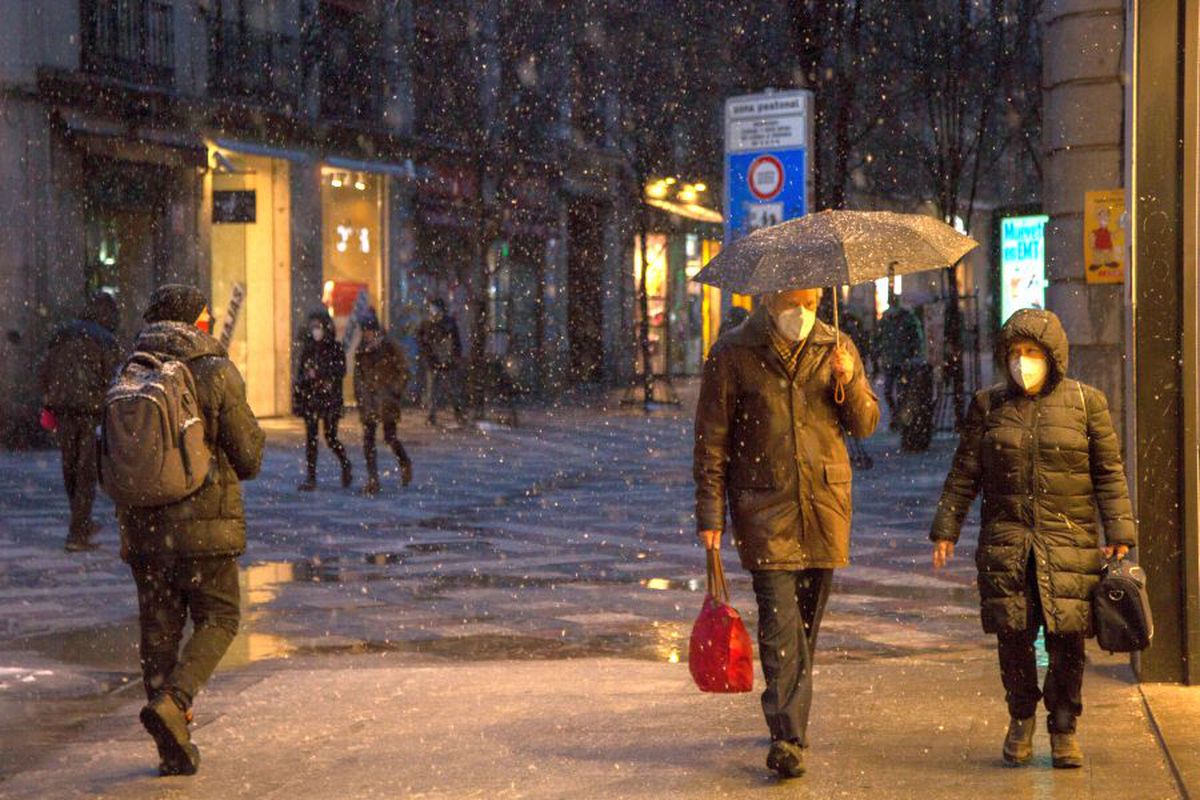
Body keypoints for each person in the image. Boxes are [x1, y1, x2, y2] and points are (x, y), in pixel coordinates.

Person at [929, 308, 1135, 770]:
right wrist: (946, 527)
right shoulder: (988, 406)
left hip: (1068, 543)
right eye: (1015, 352)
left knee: (1068, 642)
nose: (1023, 361)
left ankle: (1063, 727)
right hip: (1008, 546)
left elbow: (1108, 472)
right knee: (1014, 639)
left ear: (1052, 356)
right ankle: (1020, 717)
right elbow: (964, 473)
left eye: (1032, 352)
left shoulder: (1087, 403)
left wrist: (1119, 530)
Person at [694, 289, 879, 779]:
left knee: (804, 626)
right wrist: (710, 514)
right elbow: (712, 441)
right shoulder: (733, 353)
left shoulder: (837, 347)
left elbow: (865, 425)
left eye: (811, 303)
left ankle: (791, 709)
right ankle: (787, 736)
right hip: (764, 506)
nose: (803, 313)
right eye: (794, 303)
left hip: (824, 506)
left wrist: (848, 382)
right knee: (779, 621)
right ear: (771, 301)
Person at [116, 284, 264, 776]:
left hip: (143, 528)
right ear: (195, 320)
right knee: (219, 618)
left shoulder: (130, 369)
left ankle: (170, 746)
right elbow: (248, 457)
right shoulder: (214, 369)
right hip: (204, 526)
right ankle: (174, 702)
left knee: (158, 634)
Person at [39, 291, 121, 551]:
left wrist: (50, 397)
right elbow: (114, 377)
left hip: (63, 407)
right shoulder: (105, 339)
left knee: (71, 464)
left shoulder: (62, 333)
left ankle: (80, 521)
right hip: (91, 410)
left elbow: (44, 368)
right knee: (86, 469)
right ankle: (78, 530)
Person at [292, 310, 352, 492]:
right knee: (311, 439)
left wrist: (321, 375)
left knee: (330, 437)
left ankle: (345, 463)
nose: (315, 331)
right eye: (313, 327)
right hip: (311, 399)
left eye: (318, 327)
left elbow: (340, 371)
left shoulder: (335, 348)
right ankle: (311, 478)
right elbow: (300, 375)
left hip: (329, 399)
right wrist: (301, 391)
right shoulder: (308, 349)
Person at [354, 314, 413, 496]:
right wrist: (361, 397)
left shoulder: (389, 347)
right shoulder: (361, 350)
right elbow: (358, 376)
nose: (366, 335)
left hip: (387, 399)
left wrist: (394, 390)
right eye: (364, 332)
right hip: (370, 400)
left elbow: (404, 370)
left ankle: (404, 462)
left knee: (390, 437)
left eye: (369, 331)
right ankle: (373, 479)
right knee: (368, 440)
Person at [875, 297, 924, 427]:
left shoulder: (905, 318)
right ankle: (897, 416)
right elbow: (878, 338)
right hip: (892, 360)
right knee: (890, 391)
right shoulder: (887, 319)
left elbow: (915, 338)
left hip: (901, 361)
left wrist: (911, 354)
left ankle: (899, 418)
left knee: (900, 392)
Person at [416, 297, 466, 426]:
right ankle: (432, 414)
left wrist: (455, 356)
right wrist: (426, 351)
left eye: (435, 308)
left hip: (447, 361)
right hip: (433, 360)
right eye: (432, 308)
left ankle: (458, 413)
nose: (433, 311)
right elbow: (420, 338)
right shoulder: (427, 323)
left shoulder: (448, 322)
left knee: (451, 389)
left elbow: (456, 341)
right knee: (433, 389)